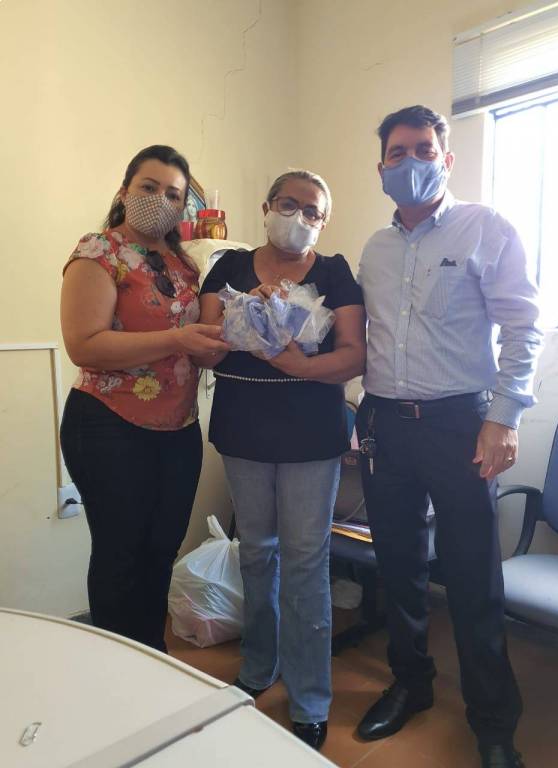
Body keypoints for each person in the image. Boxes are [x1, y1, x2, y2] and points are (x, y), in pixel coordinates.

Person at [355, 106, 542, 768]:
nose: (410, 162)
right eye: (397, 153)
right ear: (381, 166)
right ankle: (411, 684)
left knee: (471, 575)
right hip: (384, 424)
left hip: (461, 424)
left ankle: (493, 721)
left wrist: (504, 417)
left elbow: (524, 326)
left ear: (446, 158)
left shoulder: (486, 228)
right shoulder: (374, 250)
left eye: (424, 149)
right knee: (399, 566)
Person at [197, 170, 366, 749]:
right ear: (266, 206)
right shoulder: (229, 267)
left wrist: (301, 363)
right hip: (243, 430)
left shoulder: (334, 273)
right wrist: (250, 313)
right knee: (255, 553)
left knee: (304, 562)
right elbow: (207, 345)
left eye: (312, 210)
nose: (298, 217)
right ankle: (257, 667)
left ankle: (310, 694)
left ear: (324, 220)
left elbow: (353, 356)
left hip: (311, 436)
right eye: (288, 204)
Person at [60, 145, 229, 652]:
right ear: (124, 192)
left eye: (173, 194)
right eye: (149, 188)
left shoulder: (184, 265)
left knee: (161, 554)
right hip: (109, 425)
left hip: (177, 431)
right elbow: (84, 345)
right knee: (120, 556)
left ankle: (151, 660)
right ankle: (115, 670)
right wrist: (178, 338)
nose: (160, 200)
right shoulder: (99, 252)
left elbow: (201, 349)